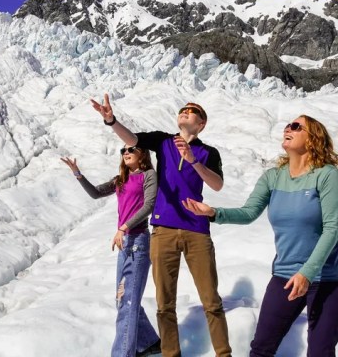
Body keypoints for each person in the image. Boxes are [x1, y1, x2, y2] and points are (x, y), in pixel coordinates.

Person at [183, 115, 338, 356]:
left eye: (297, 126)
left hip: (327, 278)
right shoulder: (273, 177)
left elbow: (333, 228)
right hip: (285, 275)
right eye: (288, 125)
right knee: (261, 348)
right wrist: (214, 213)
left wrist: (307, 273)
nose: (288, 128)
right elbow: (248, 212)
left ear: (313, 138)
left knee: (320, 351)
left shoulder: (327, 175)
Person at [91, 95, 231, 357]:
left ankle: (224, 354)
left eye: (192, 111)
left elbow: (217, 184)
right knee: (164, 305)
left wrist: (193, 161)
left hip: (196, 230)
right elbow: (132, 140)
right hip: (163, 231)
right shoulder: (163, 141)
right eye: (183, 110)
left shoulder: (208, 153)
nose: (185, 112)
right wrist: (111, 120)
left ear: (201, 124)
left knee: (211, 301)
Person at [61, 145, 161, 357]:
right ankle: (148, 343)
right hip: (125, 243)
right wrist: (77, 174)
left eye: (131, 150)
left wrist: (124, 227)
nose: (126, 153)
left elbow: (149, 205)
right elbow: (96, 193)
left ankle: (123, 353)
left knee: (128, 301)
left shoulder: (148, 175)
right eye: (123, 150)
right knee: (122, 299)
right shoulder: (120, 179)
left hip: (138, 241)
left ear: (142, 154)